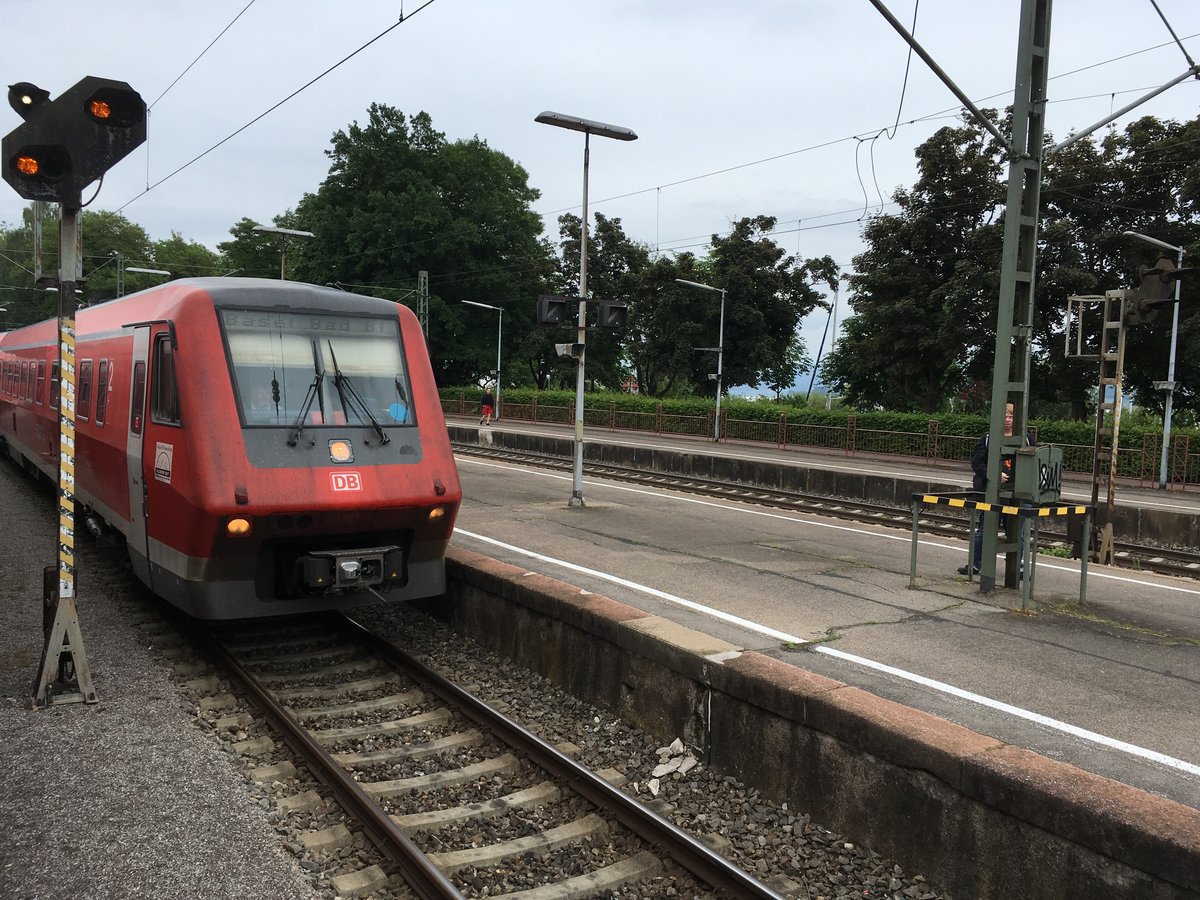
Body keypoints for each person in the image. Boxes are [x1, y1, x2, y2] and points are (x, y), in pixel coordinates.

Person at [959, 403, 1026, 575]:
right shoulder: (988, 438)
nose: (1008, 420)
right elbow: (976, 462)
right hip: (992, 492)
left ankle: (1018, 567)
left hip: (1017, 494)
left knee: (1019, 533)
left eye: (1011, 417)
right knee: (985, 529)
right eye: (1005, 416)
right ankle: (976, 564)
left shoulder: (1026, 439)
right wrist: (993, 474)